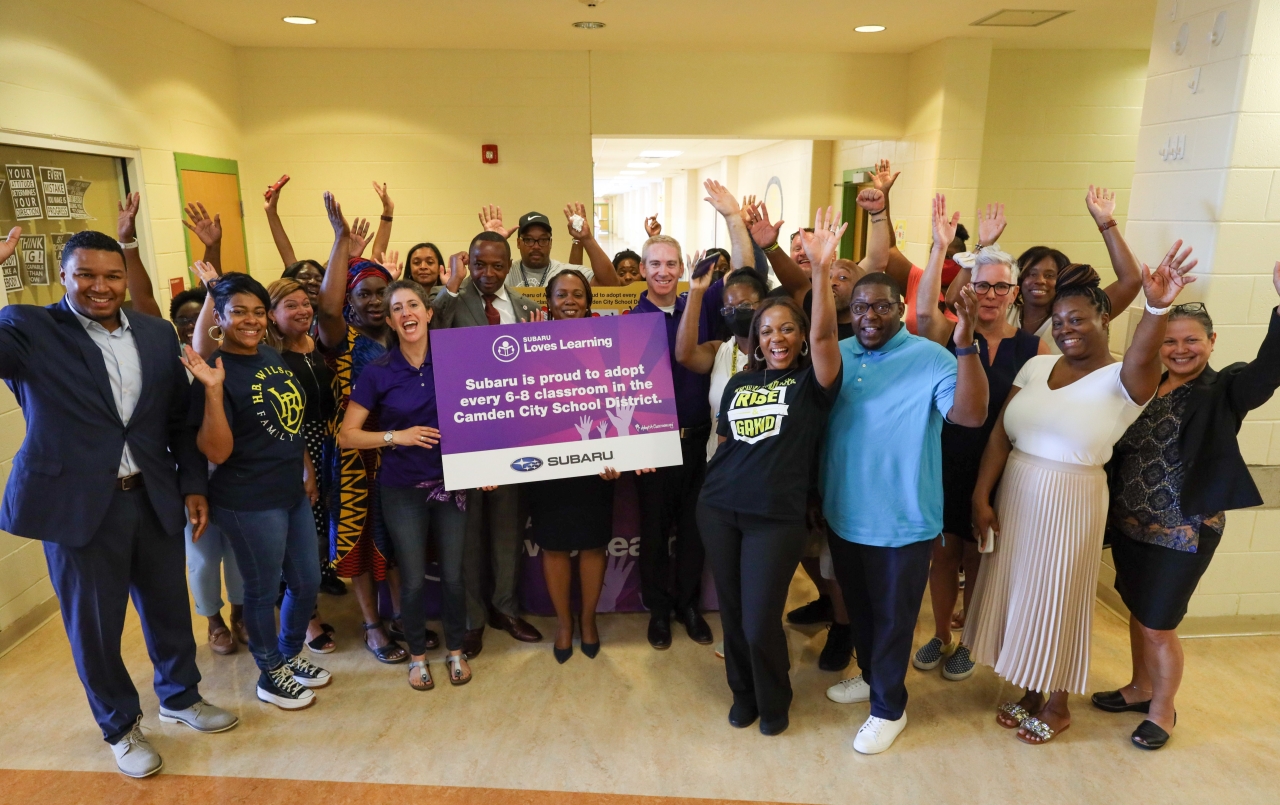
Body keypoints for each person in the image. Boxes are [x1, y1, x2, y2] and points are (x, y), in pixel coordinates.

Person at [0, 228, 238, 778]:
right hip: (77, 507)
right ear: (63, 276)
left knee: (168, 608)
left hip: (150, 495)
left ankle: (180, 697)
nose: (100, 287)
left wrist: (194, 485)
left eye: (111, 275)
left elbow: (177, 420)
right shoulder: (29, 327)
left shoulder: (156, 335)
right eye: (85, 274)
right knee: (96, 627)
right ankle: (120, 726)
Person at [963, 242, 1197, 746]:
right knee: (1021, 591)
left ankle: (1057, 702)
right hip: (1017, 491)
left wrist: (1157, 307)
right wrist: (982, 498)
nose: (1067, 328)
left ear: (1105, 321)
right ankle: (1028, 687)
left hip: (1072, 499)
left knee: (1059, 597)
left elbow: (1143, 351)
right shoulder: (1034, 367)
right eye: (1061, 321)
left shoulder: (1126, 378)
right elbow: (1001, 434)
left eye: (1079, 320)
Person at [1091, 266, 1280, 750]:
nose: (1180, 349)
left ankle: (1162, 710)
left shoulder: (1225, 390)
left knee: (1158, 624)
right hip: (1132, 526)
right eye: (1170, 341)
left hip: (1185, 531)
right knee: (1137, 611)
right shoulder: (1145, 386)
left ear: (1212, 342)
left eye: (1191, 340)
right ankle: (1139, 688)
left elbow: (1267, 370)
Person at [820, 265, 989, 755]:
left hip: (904, 518)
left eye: (881, 307)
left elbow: (971, 416)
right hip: (844, 511)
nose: (869, 316)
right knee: (863, 612)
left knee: (894, 620)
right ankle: (875, 681)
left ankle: (888, 709)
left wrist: (966, 344)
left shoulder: (932, 356)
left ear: (900, 308)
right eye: (859, 308)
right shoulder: (840, 354)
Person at [697, 208, 846, 736]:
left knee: (762, 617)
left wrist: (822, 272)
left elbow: (828, 339)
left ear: (800, 337)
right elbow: (723, 444)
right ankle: (743, 693)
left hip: (774, 518)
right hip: (718, 507)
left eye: (787, 329)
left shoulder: (813, 383)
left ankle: (773, 697)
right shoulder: (739, 384)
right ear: (755, 339)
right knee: (733, 615)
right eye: (767, 331)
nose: (776, 337)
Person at [911, 195, 1048, 682]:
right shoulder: (949, 335)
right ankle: (941, 633)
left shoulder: (1034, 348)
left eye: (999, 287)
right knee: (944, 553)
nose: (989, 295)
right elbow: (926, 308)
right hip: (946, 462)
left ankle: (971, 638)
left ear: (1014, 293)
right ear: (968, 289)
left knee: (980, 555)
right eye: (981, 285)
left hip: (1000, 470)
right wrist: (940, 247)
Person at [185, 271, 331, 711]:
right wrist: (213, 392)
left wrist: (306, 467)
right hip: (248, 500)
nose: (250, 321)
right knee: (262, 591)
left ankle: (286, 657)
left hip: (289, 490)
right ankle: (270, 673)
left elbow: (291, 421)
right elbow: (218, 450)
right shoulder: (214, 373)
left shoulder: (270, 353)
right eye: (238, 313)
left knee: (306, 582)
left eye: (257, 311)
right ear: (221, 319)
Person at [339, 279, 472, 689]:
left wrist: (489, 466)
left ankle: (455, 651)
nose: (406, 313)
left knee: (452, 576)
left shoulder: (456, 359)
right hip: (401, 489)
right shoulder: (379, 371)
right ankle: (418, 656)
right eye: (397, 309)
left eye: (413, 305)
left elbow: (487, 410)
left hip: (454, 485)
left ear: (429, 313)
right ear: (392, 321)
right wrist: (398, 436)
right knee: (412, 579)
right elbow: (348, 435)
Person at [524, 269, 648, 663]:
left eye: (578, 294)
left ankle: (589, 620)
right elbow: (513, 401)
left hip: (597, 463)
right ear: (549, 301)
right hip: (547, 464)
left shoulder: (608, 344)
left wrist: (620, 455)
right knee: (554, 546)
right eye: (562, 294)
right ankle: (564, 623)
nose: (570, 301)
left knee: (594, 543)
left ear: (589, 300)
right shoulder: (529, 342)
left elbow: (625, 393)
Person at [432, 231, 543, 657]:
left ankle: (505, 609)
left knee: (507, 530)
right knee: (469, 536)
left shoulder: (526, 306)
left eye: (498, 265)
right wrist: (450, 287)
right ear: (470, 263)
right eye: (481, 264)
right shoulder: (450, 303)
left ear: (509, 264)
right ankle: (472, 620)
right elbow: (431, 332)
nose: (489, 273)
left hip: (515, 439)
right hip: (467, 437)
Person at [314, 192, 410, 665]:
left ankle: (401, 619)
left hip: (401, 454)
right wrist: (340, 242)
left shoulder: (403, 336)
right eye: (364, 294)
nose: (374, 301)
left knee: (396, 539)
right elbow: (325, 311)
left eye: (381, 292)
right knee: (358, 540)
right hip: (353, 458)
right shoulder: (341, 340)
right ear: (350, 301)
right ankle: (373, 626)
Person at [631, 229, 717, 650]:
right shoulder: (628, 324)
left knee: (693, 530)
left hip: (702, 441)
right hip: (652, 444)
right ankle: (659, 610)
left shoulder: (701, 310)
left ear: (682, 269)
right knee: (653, 532)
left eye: (671, 264)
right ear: (642, 270)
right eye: (655, 264)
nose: (663, 272)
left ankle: (688, 605)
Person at [946, 186, 1143, 355]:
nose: (1040, 280)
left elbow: (1131, 280)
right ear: (1018, 284)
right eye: (1031, 274)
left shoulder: (1076, 317)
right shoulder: (1003, 309)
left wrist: (1105, 221)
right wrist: (984, 244)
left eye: (1050, 275)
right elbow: (954, 299)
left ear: (1063, 281)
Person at [264, 277, 340, 653]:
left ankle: (310, 605)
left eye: (304, 303)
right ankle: (305, 621)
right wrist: (306, 466)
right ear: (272, 315)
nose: (302, 310)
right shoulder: (270, 356)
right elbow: (285, 419)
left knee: (322, 528)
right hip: (297, 448)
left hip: (327, 443)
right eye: (290, 305)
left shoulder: (314, 344)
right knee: (301, 539)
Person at [478, 204, 621, 289]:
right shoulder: (504, 274)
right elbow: (474, 288)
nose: (536, 246)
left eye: (543, 240)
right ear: (518, 243)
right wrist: (492, 241)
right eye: (528, 240)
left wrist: (587, 238)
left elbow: (610, 284)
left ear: (550, 243)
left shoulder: (566, 273)